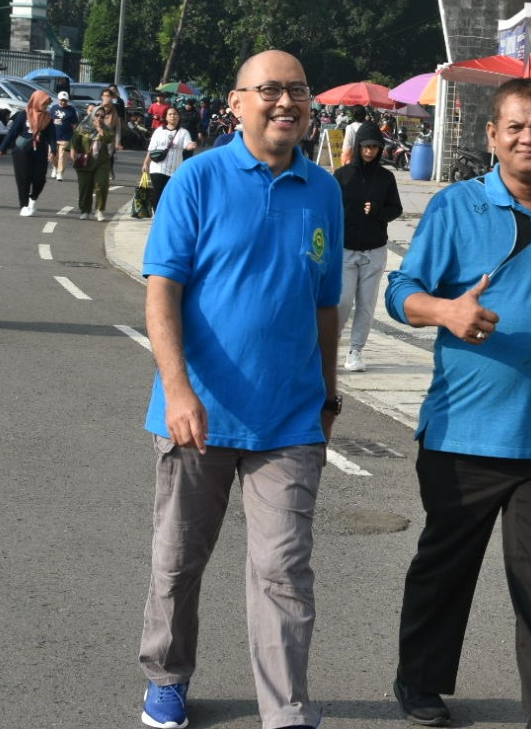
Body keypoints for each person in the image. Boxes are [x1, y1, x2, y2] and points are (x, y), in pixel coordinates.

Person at [384, 78, 531, 729]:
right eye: (515, 127)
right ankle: (419, 681)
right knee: (445, 568)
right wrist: (446, 311)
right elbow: (402, 292)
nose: (528, 138)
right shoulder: (456, 208)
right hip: (464, 434)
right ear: (492, 136)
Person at [136, 50, 343, 729]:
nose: (287, 103)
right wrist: (177, 390)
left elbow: (324, 304)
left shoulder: (324, 190)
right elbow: (161, 290)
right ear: (237, 102)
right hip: (199, 412)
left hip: (288, 418)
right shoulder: (196, 180)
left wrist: (329, 395)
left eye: (298, 92)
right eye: (271, 91)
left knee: (283, 569)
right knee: (177, 561)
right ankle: (167, 675)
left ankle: (285, 711)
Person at [334, 120, 402, 373]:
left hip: (375, 250)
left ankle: (356, 350)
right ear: (358, 146)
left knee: (366, 303)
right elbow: (330, 210)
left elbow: (396, 209)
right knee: (342, 301)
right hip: (345, 249)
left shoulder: (386, 177)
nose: (370, 151)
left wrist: (377, 211)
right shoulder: (342, 176)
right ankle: (330, 347)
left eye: (375, 146)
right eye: (366, 146)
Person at [0, 89, 57, 217]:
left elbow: (52, 136)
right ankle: (24, 205)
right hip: (22, 152)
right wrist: (2, 148)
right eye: (44, 103)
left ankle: (33, 198)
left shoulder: (47, 117)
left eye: (47, 104)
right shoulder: (23, 114)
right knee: (23, 179)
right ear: (36, 101)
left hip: (40, 150)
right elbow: (13, 132)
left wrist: (53, 149)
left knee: (40, 179)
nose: (45, 106)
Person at [141, 103, 197, 214]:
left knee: (171, 195)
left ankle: (167, 215)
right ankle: (158, 216)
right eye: (170, 114)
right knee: (158, 193)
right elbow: (151, 149)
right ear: (166, 117)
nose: (173, 116)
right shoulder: (158, 131)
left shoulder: (183, 132)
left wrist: (191, 145)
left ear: (179, 116)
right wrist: (146, 163)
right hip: (158, 168)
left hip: (175, 170)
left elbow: (187, 144)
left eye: (175, 114)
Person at [71, 101, 118, 221]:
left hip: (102, 161)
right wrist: (73, 150)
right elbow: (75, 140)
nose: (99, 118)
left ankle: (99, 210)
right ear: (92, 115)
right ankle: (85, 210)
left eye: (102, 116)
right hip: (84, 161)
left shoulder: (106, 129)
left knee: (101, 185)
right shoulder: (82, 126)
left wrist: (99, 128)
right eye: (97, 115)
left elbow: (108, 138)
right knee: (85, 187)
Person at [50, 89, 79, 179]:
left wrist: (74, 136)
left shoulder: (71, 110)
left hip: (66, 137)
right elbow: (49, 121)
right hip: (53, 136)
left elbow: (74, 124)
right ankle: (55, 167)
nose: (63, 102)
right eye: (62, 100)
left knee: (62, 156)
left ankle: (60, 173)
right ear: (58, 100)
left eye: (65, 101)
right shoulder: (53, 108)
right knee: (52, 156)